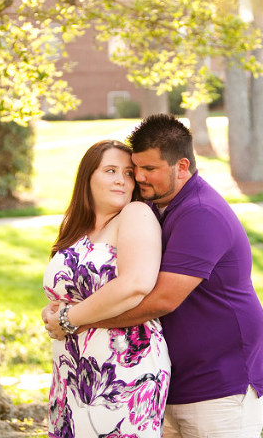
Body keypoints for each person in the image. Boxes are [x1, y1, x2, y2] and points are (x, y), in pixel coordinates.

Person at [44, 114, 263, 438]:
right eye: (137, 167)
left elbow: (160, 298)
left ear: (181, 167)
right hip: (173, 378)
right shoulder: (158, 207)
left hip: (219, 380)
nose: (138, 177)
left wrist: (76, 321)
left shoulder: (199, 212)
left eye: (148, 169)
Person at [42, 139, 171, 438]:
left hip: (123, 371)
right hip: (71, 371)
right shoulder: (77, 230)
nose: (121, 180)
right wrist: (51, 312)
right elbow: (66, 293)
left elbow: (135, 285)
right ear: (87, 179)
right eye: (110, 170)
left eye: (128, 173)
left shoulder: (135, 214)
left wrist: (67, 319)